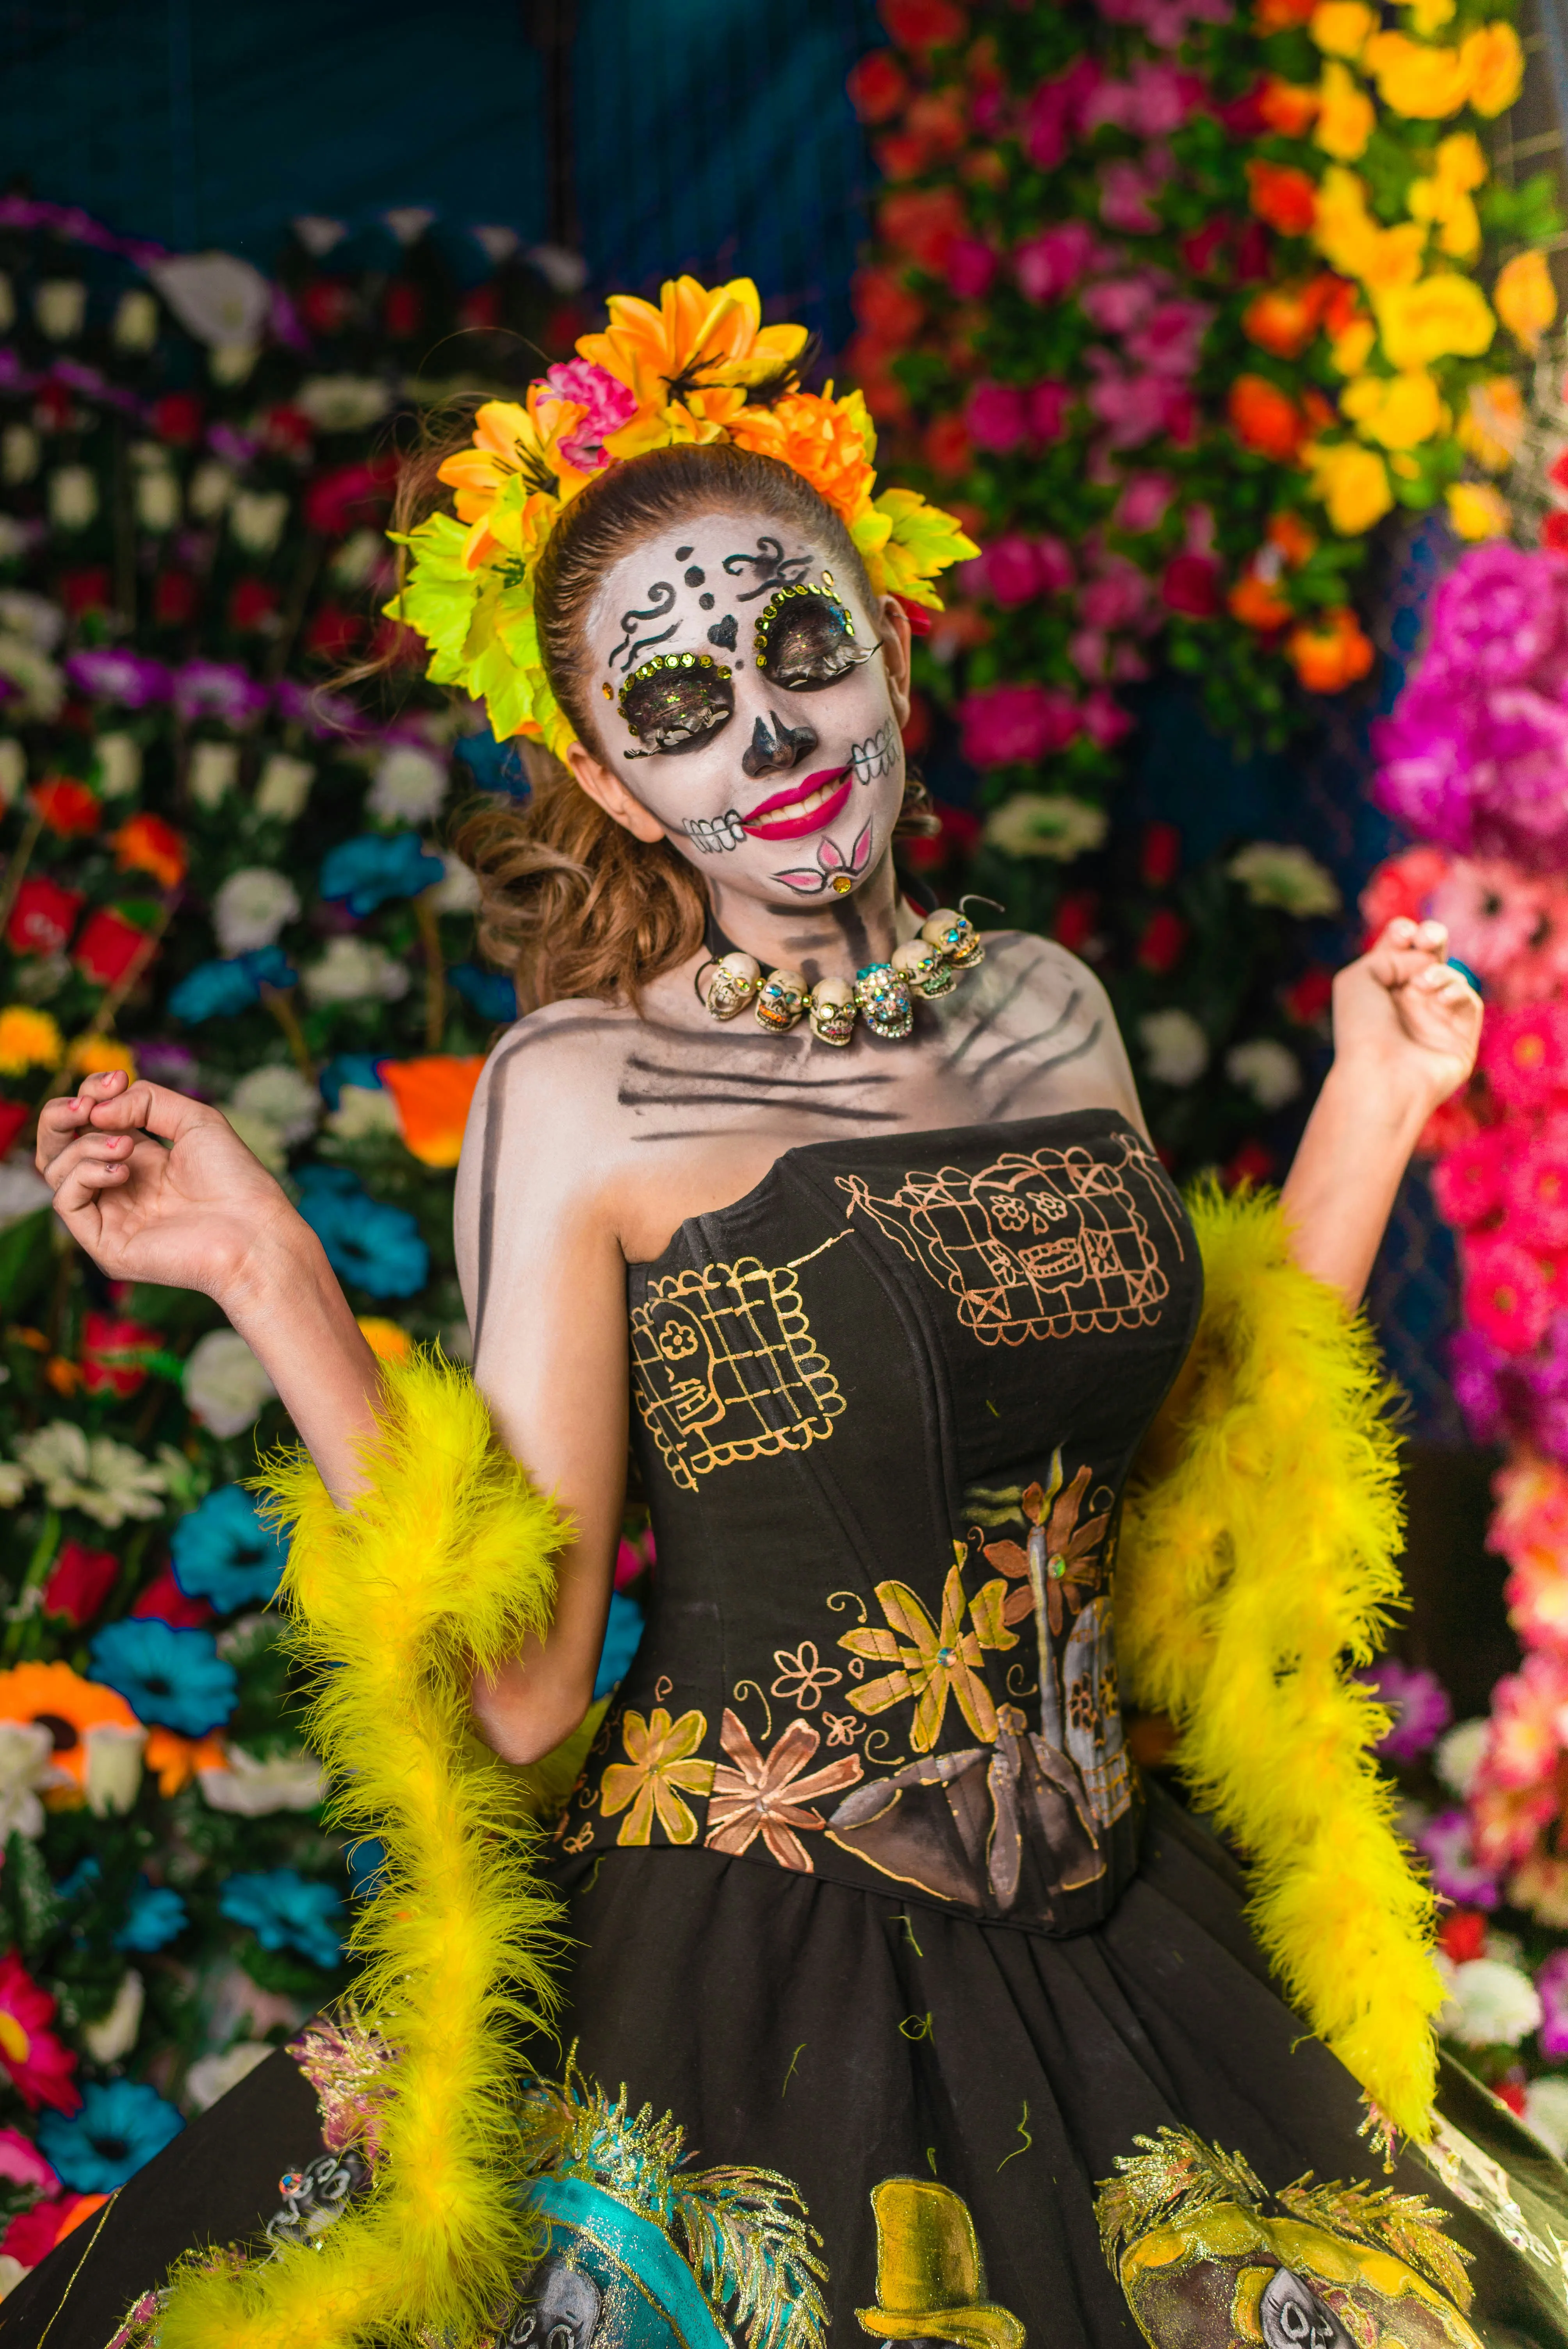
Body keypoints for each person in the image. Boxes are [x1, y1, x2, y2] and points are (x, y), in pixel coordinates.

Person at [5, 276, 1556, 2349]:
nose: (768, 732)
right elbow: (524, 1694)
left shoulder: (1049, 1013)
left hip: (1134, 1930)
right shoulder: (583, 1096)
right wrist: (272, 1277)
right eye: (678, 703)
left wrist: (1373, 1108)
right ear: (618, 785)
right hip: (758, 1955)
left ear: (893, 647)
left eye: (801, 647)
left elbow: (1192, 1479)